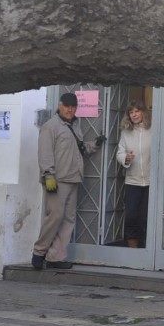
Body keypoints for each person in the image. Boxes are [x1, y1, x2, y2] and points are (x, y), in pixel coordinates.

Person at [32, 92, 104, 270]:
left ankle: (55, 257)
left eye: (73, 107)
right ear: (60, 105)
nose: (70, 110)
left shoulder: (75, 125)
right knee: (55, 217)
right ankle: (39, 252)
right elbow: (45, 152)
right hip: (57, 180)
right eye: (67, 106)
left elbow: (79, 149)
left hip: (74, 178)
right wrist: (48, 175)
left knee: (68, 219)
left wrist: (94, 144)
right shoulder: (51, 126)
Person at [115, 103, 152, 248]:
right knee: (131, 216)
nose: (134, 114)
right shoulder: (126, 133)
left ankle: (146, 248)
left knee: (145, 217)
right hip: (132, 181)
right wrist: (126, 158)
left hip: (150, 181)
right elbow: (120, 152)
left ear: (143, 113)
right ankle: (132, 249)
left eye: (137, 111)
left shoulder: (153, 130)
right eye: (131, 112)